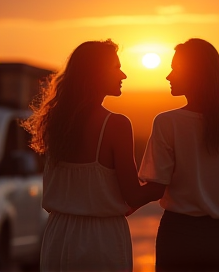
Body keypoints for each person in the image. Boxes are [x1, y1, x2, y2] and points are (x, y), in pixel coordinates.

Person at [21, 39, 163, 272]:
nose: (123, 75)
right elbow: (133, 196)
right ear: (96, 73)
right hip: (100, 239)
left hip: (58, 235)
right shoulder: (116, 124)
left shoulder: (55, 123)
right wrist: (163, 182)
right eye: (116, 67)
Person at [138, 38, 219, 272]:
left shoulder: (166, 123)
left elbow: (155, 185)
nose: (168, 76)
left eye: (175, 69)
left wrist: (123, 205)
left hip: (176, 236)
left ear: (195, 74)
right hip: (217, 239)